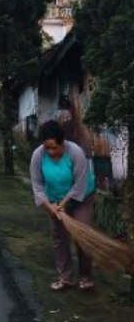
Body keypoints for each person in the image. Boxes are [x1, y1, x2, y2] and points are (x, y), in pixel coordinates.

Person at [29, 120, 97, 291]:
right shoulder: (38, 155)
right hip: (53, 200)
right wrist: (50, 206)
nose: (51, 152)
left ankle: (86, 276)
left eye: (54, 148)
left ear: (62, 143)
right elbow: (37, 185)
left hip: (81, 197)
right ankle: (65, 278)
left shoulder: (75, 152)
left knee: (83, 235)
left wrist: (63, 204)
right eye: (47, 148)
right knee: (59, 238)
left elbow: (79, 184)